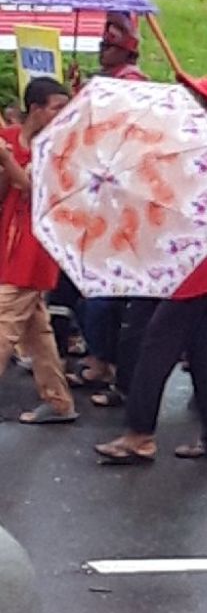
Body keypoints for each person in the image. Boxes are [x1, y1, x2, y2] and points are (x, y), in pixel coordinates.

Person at [95, 76, 207, 463]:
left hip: (198, 264)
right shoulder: (182, 144)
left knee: (156, 346)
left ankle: (140, 434)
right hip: (181, 262)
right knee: (200, 350)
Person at [0, 78, 77, 425]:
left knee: (3, 326)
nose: (64, 116)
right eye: (58, 108)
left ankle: (59, 402)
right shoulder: (11, 138)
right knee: (37, 330)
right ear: (35, 109)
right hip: (9, 241)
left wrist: (8, 161)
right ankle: (59, 402)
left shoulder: (59, 150)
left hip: (34, 250)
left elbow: (36, 190)